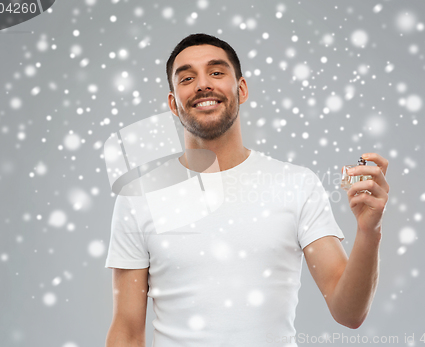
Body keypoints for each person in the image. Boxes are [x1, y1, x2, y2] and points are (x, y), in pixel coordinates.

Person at [105, 33, 390, 347]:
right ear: (173, 102)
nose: (202, 84)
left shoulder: (296, 184)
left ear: (241, 89)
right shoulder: (139, 198)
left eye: (216, 72)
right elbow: (127, 331)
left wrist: (368, 230)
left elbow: (348, 312)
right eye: (187, 78)